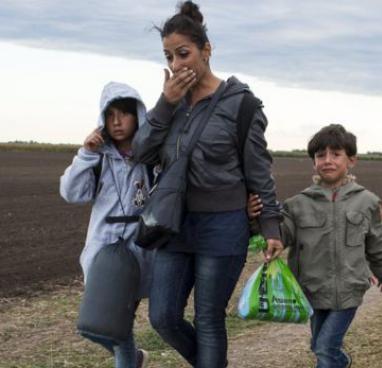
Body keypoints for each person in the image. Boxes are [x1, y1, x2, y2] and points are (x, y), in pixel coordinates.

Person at [131, 2, 283, 366]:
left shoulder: (241, 104)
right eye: (169, 56)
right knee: (162, 316)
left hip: (223, 225)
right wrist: (165, 105)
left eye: (183, 53)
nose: (176, 64)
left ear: (207, 50)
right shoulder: (171, 102)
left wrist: (271, 226)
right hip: (173, 224)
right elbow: (141, 151)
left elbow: (259, 170)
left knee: (209, 320)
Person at [250, 124, 382, 368]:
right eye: (320, 155)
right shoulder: (297, 204)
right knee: (319, 345)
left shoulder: (367, 201)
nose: (327, 160)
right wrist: (255, 219)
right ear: (313, 162)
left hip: (349, 290)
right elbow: (280, 236)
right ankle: (342, 361)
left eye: (336, 154)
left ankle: (335, 359)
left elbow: (377, 243)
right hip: (312, 290)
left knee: (325, 348)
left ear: (351, 160)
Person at [60, 82, 153, 368]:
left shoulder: (150, 158)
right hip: (102, 255)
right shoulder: (97, 158)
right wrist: (86, 154)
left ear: (137, 115)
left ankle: (129, 359)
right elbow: (71, 193)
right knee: (95, 325)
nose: (117, 121)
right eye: (110, 114)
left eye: (124, 113)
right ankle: (133, 358)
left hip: (138, 253)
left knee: (120, 326)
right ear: (102, 119)